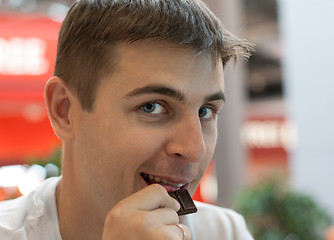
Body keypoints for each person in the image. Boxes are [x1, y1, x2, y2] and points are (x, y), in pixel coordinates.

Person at [0, 0, 254, 239]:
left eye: (205, 111)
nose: (194, 149)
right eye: (152, 107)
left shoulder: (224, 232)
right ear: (64, 110)